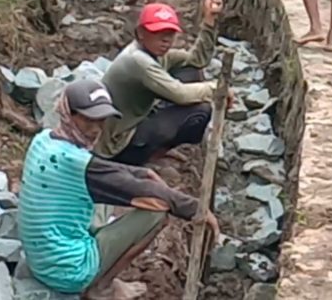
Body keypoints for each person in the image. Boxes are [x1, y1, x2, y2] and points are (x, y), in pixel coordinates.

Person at [18, 79, 218, 300]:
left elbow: (107, 172)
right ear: (68, 114)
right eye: (88, 120)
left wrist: (141, 173)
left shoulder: (43, 140)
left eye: (101, 121)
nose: (96, 129)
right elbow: (149, 194)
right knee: (157, 212)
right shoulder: (77, 163)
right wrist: (196, 209)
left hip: (41, 258)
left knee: (105, 193)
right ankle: (102, 287)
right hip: (67, 271)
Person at [95, 0, 226, 165]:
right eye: (158, 33)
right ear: (141, 33)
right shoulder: (138, 59)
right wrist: (217, 89)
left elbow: (196, 60)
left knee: (189, 72)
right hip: (117, 144)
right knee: (201, 110)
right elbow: (181, 94)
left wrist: (209, 20)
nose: (166, 40)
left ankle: (159, 148)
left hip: (136, 118)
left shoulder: (155, 53)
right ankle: (150, 154)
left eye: (170, 34)